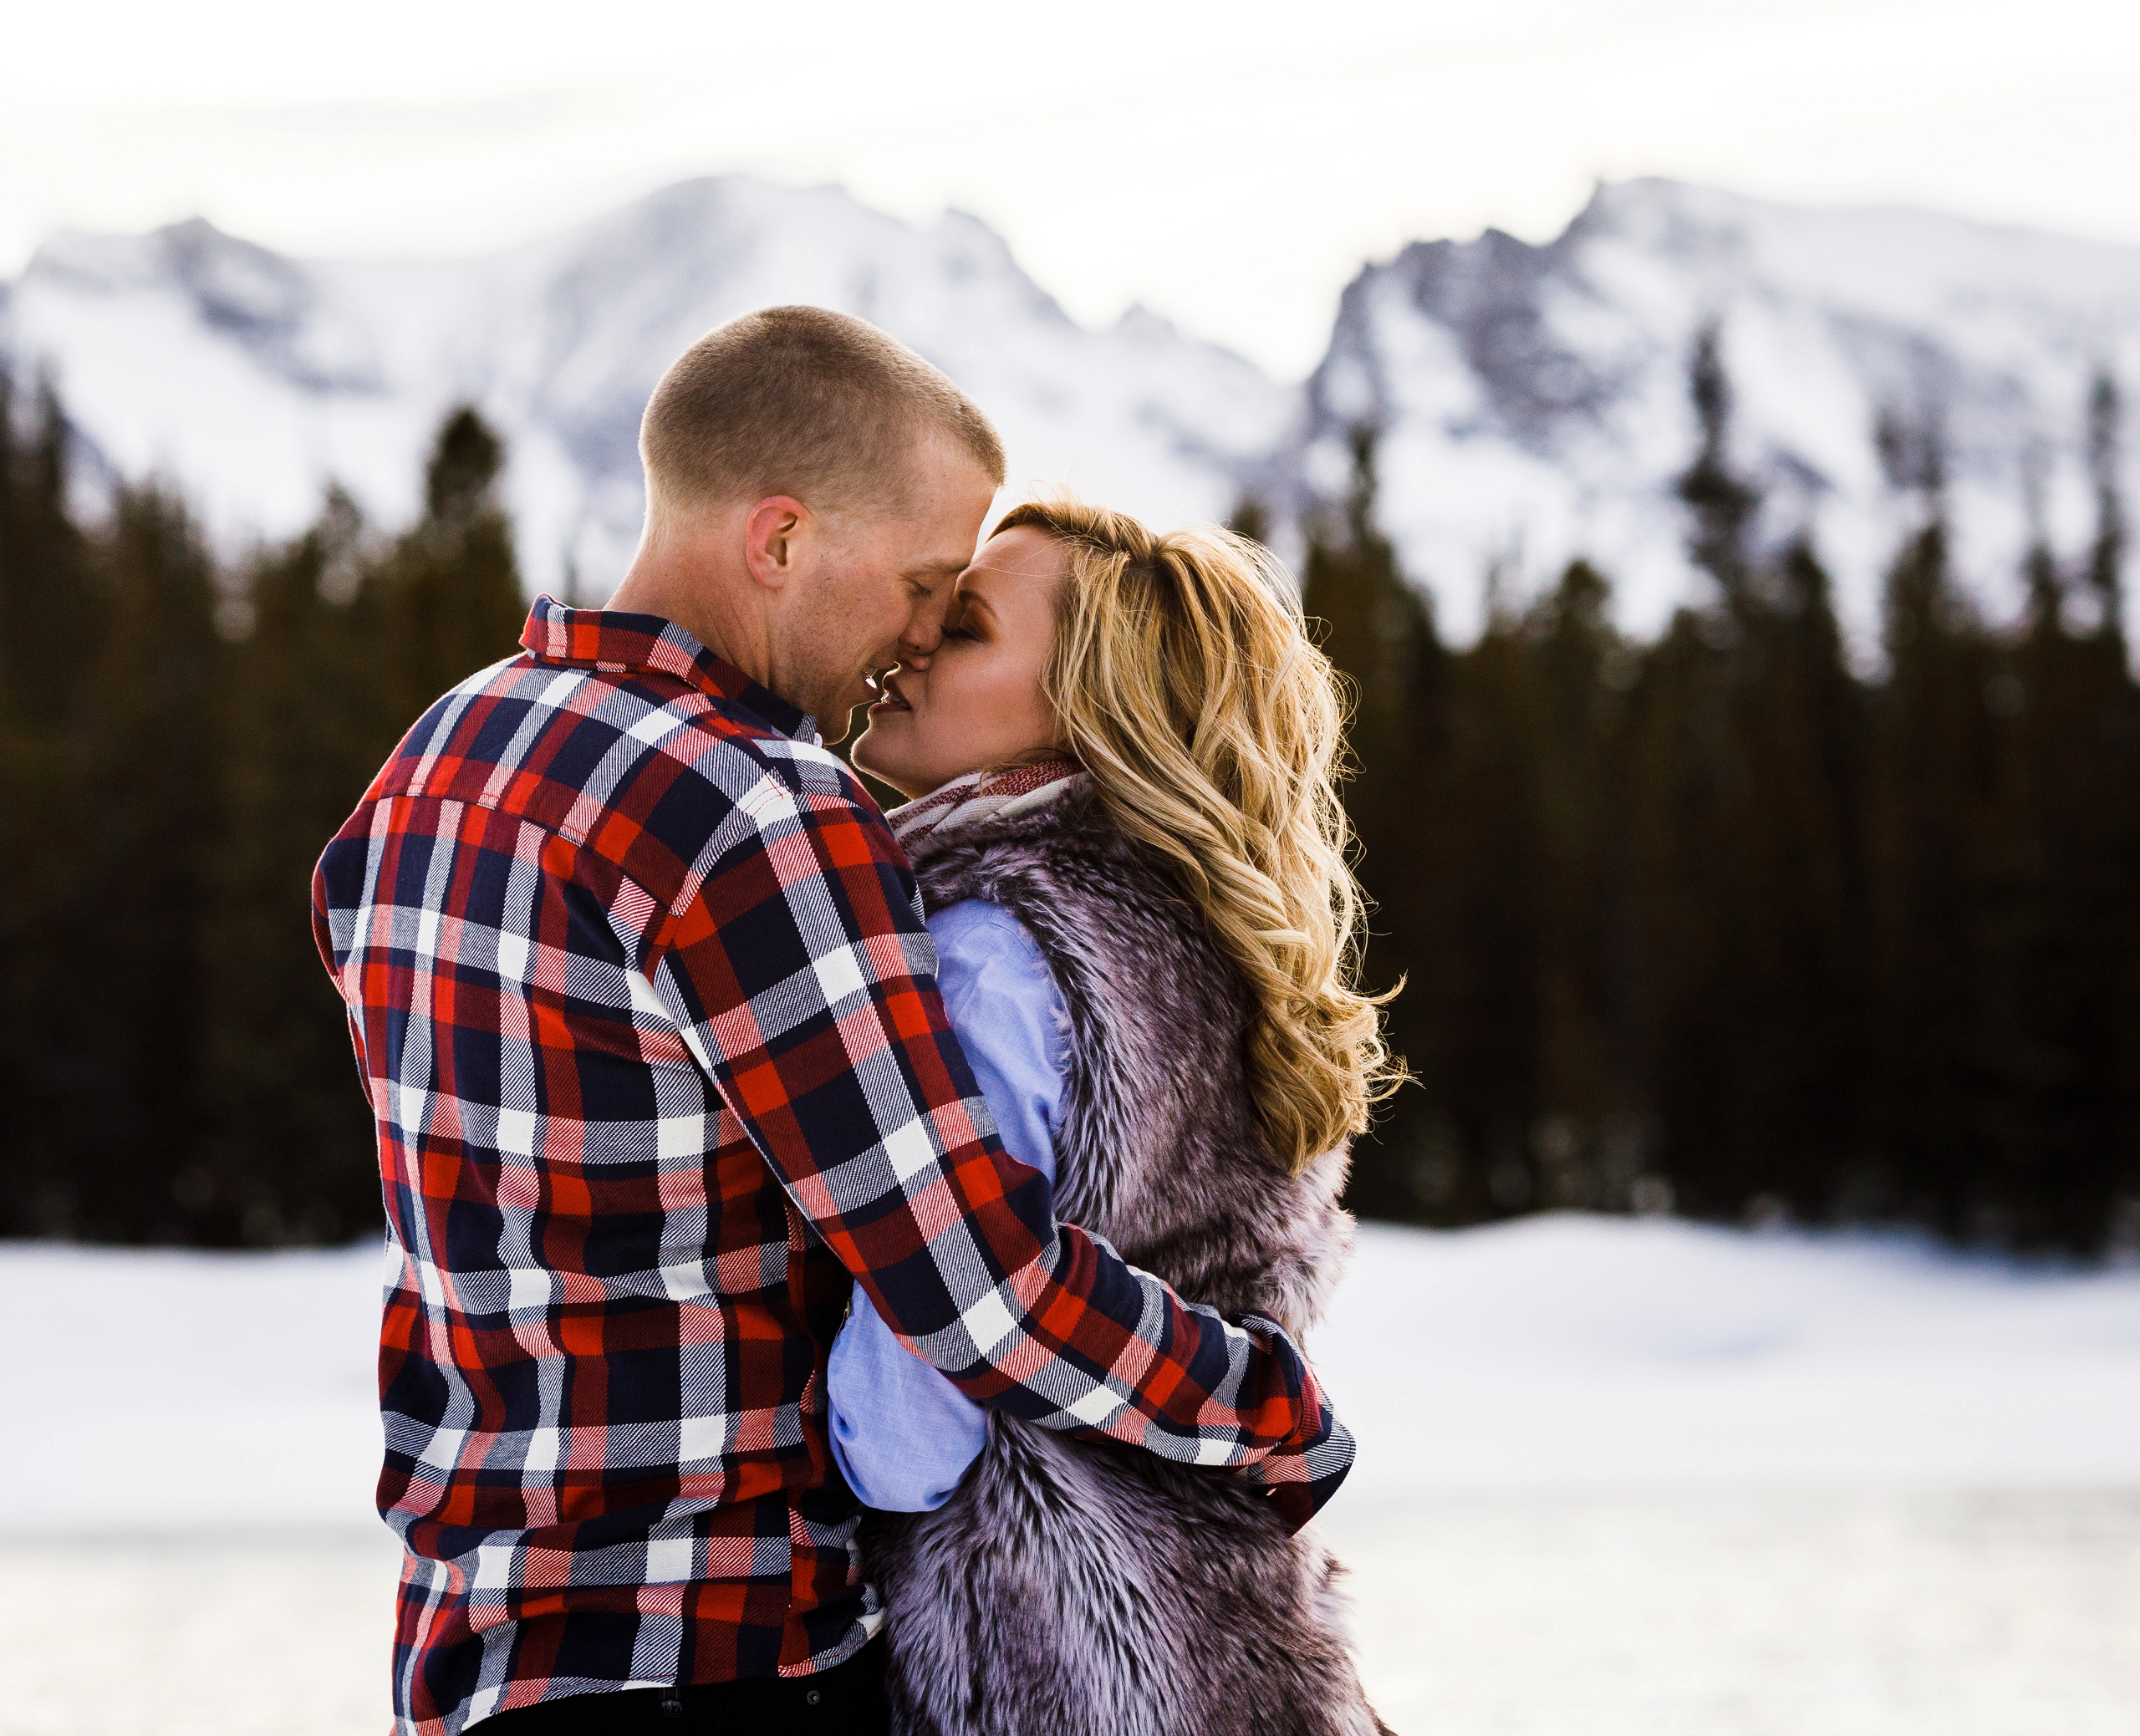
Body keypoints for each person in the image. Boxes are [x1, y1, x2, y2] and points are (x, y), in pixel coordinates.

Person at [311, 308, 1356, 1736]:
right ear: (782, 541)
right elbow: (972, 1288)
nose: (920, 629)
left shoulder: (428, 771)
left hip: (476, 1648)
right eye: (928, 581)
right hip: (720, 1650)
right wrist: (1259, 1407)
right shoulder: (757, 809)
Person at [838, 503, 1400, 1735]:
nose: (913, 636)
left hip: (1063, 1660)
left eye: (966, 624)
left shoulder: (990, 959)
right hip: (1239, 1642)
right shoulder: (1224, 955)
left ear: (1087, 714)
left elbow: (899, 1436)